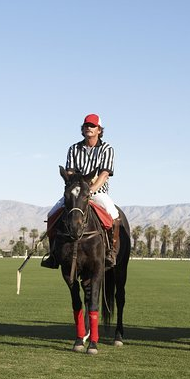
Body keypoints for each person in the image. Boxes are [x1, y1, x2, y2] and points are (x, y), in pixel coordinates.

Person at [41, 113, 120, 269]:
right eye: (86, 126)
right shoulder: (73, 149)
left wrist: (90, 190)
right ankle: (53, 254)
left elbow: (104, 174)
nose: (89, 128)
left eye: (92, 126)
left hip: (98, 192)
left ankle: (111, 251)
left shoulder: (107, 149)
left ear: (99, 130)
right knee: (52, 215)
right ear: (82, 129)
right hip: (76, 194)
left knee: (113, 214)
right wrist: (76, 190)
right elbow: (70, 174)